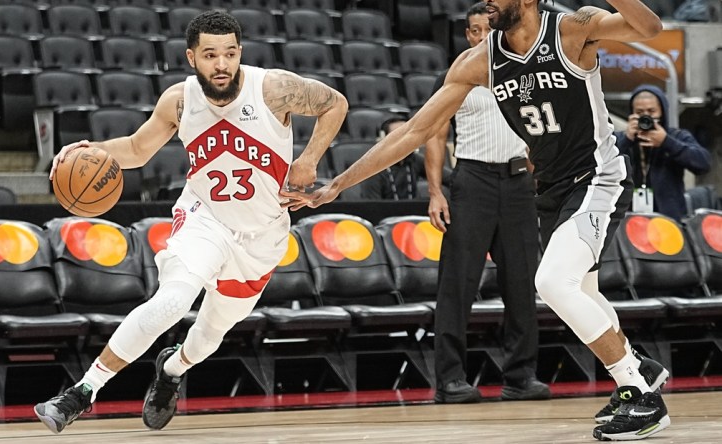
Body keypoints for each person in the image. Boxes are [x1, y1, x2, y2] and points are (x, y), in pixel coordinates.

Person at [282, 0, 671, 440]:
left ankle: (639, 394)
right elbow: (414, 131)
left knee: (552, 283)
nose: (488, 2)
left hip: (596, 177)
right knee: (582, 292)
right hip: (550, 190)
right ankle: (641, 369)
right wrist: (339, 185)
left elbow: (649, 28)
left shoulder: (572, 28)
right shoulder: (479, 59)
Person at [35, 11, 347, 434]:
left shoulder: (273, 88)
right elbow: (136, 148)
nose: (222, 64)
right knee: (172, 300)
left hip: (262, 236)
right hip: (204, 219)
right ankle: (81, 392)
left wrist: (308, 159)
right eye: (211, 55)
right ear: (191, 57)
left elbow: (335, 103)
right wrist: (88, 150)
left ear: (240, 53)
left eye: (230, 53)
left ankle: (172, 369)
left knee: (210, 336)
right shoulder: (179, 100)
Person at [424, 2, 548, 404]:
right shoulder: (462, 70)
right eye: (473, 31)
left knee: (522, 284)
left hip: (517, 184)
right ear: (467, 34)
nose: (481, 36)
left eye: (486, 28)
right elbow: (434, 131)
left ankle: (520, 376)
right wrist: (436, 191)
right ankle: (450, 380)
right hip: (472, 180)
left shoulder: (523, 69)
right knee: (457, 285)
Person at [614, 84, 711, 221]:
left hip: (668, 223)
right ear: (632, 114)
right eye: (640, 112)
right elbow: (601, 164)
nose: (646, 117)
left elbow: (703, 164)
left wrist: (666, 142)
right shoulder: (621, 139)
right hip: (627, 223)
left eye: (651, 111)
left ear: (662, 112)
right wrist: (627, 140)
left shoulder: (676, 137)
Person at [360, 117, 451, 200]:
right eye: (399, 135)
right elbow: (372, 207)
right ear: (384, 139)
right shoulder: (372, 169)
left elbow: (451, 179)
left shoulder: (413, 159)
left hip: (412, 213)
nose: (406, 140)